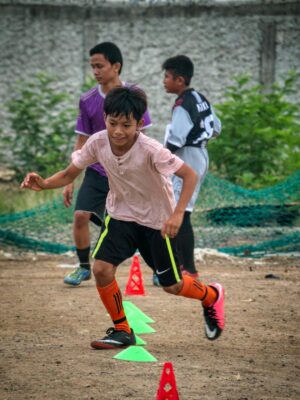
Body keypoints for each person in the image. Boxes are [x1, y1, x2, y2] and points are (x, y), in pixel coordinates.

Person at [21, 86, 225, 348]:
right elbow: (71, 173)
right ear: (105, 118)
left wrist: (176, 215)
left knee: (172, 285)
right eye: (112, 122)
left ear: (139, 124)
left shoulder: (151, 150)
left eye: (126, 125)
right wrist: (44, 183)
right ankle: (122, 330)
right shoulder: (97, 142)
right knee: (101, 269)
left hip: (156, 223)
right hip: (121, 216)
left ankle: (211, 295)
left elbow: (189, 175)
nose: (118, 131)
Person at [63, 42, 151, 286]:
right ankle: (83, 267)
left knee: (141, 223)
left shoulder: (134, 95)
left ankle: (158, 265)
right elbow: (82, 139)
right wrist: (70, 178)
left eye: (99, 66)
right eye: (92, 67)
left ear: (116, 66)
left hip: (128, 173)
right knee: (81, 215)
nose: (95, 71)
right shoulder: (88, 100)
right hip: (97, 171)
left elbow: (145, 136)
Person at [158, 54, 222, 280]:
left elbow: (176, 139)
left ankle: (186, 269)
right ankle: (177, 266)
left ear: (180, 80)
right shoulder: (200, 97)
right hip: (201, 153)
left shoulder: (182, 104)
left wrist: (160, 160)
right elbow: (216, 128)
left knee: (179, 212)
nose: (164, 81)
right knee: (179, 210)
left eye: (167, 77)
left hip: (188, 156)